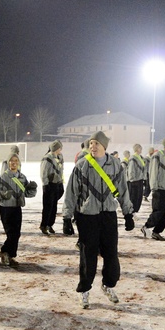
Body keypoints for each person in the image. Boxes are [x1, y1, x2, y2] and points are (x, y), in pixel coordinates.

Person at [62, 131, 134, 308]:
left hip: (108, 214)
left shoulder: (115, 165)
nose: (93, 146)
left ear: (104, 147)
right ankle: (85, 290)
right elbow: (71, 192)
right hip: (88, 216)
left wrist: (128, 213)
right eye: (91, 143)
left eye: (96, 144)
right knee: (88, 256)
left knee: (111, 254)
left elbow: (123, 190)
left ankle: (108, 284)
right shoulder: (82, 166)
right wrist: (66, 217)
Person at [0, 151, 37, 267]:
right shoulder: (3, 177)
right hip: (6, 208)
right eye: (11, 161)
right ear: (8, 163)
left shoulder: (22, 177)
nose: (14, 163)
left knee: (17, 234)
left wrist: (33, 189)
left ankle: (9, 255)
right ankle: (4, 252)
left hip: (17, 208)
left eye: (16, 161)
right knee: (11, 233)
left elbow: (27, 193)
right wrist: (3, 194)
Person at [142, 136, 165, 241]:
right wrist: (154, 187)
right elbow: (152, 172)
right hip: (159, 188)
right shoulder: (157, 156)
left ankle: (157, 231)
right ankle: (146, 226)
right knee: (158, 210)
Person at [38, 140, 65, 235]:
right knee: (47, 207)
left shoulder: (59, 157)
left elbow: (61, 171)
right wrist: (46, 185)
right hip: (49, 184)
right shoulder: (47, 158)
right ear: (57, 148)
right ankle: (44, 225)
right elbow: (43, 173)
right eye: (60, 147)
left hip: (57, 184)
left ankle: (50, 224)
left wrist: (61, 182)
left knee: (54, 207)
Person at [126, 143, 148, 213]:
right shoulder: (133, 158)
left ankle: (135, 211)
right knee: (134, 197)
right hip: (135, 181)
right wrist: (132, 179)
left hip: (140, 180)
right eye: (140, 148)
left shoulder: (140, 157)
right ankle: (132, 211)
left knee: (138, 197)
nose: (141, 150)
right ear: (137, 149)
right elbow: (131, 169)